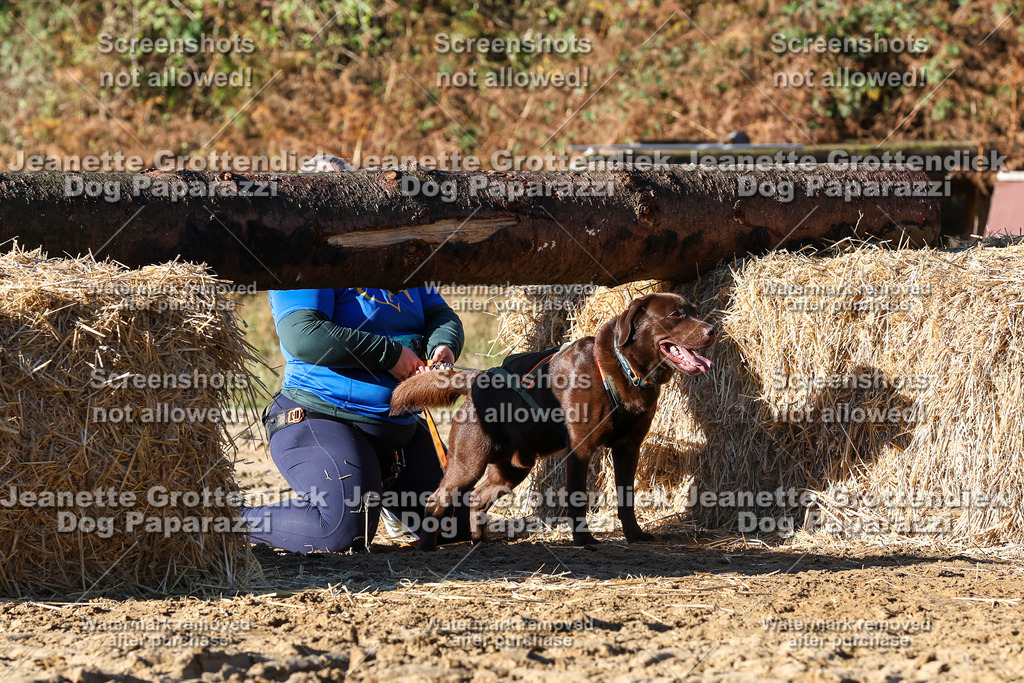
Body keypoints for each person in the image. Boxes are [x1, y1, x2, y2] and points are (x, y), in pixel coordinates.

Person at [242, 155, 469, 552]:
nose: (335, 203)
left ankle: (382, 496)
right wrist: (391, 355)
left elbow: (440, 314)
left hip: (399, 428)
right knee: (342, 532)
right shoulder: (302, 254)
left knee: (455, 526)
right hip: (321, 416)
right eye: (322, 194)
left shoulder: (394, 253)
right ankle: (231, 520)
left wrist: (442, 350)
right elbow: (303, 336)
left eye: (344, 191)